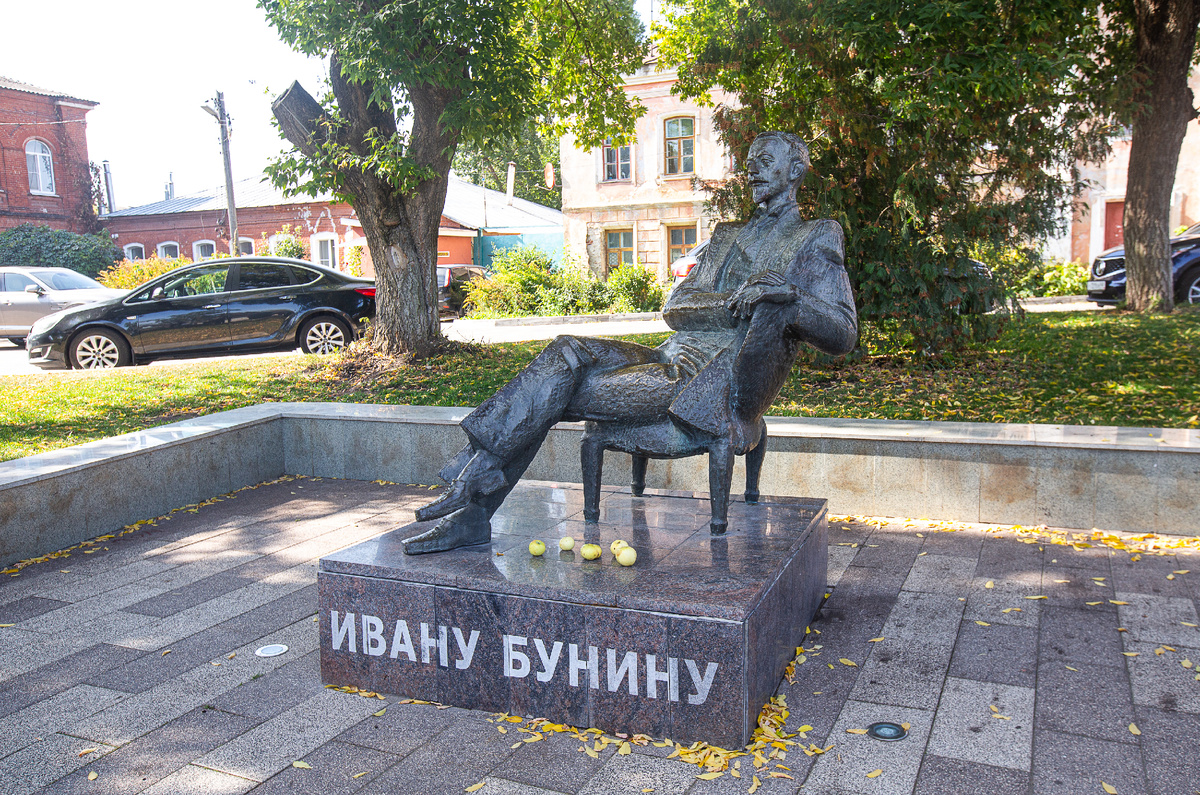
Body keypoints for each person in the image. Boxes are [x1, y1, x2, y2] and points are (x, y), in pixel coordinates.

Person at [404, 131, 858, 554]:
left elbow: (842, 332)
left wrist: (791, 298)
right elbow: (675, 307)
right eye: (750, 161)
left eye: (765, 161)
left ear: (795, 170)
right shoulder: (726, 236)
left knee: (552, 392)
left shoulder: (815, 235)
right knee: (565, 351)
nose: (752, 169)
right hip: (666, 356)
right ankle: (477, 482)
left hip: (710, 379)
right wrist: (737, 302)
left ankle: (474, 496)